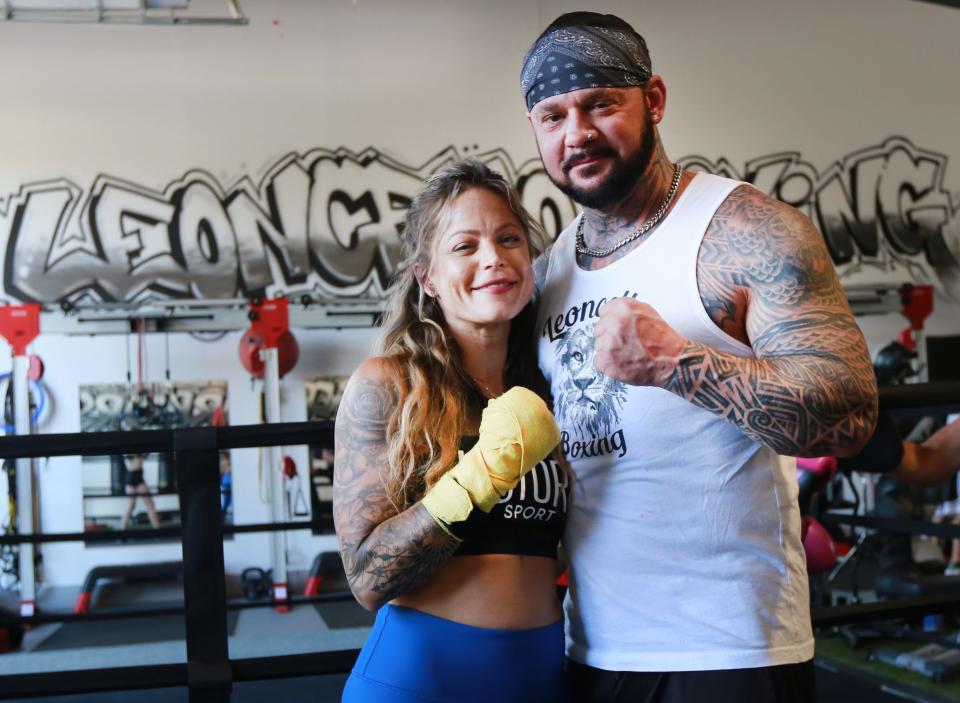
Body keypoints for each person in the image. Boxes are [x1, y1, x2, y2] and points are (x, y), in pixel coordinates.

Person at [521, 12, 877, 702]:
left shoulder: (744, 231)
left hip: (731, 647)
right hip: (591, 647)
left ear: (653, 99)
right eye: (553, 115)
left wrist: (675, 364)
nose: (578, 133)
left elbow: (852, 415)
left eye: (601, 104)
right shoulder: (547, 276)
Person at [333, 159, 569, 703]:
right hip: (421, 678)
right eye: (465, 246)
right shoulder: (388, 385)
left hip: (543, 674)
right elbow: (367, 580)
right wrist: (478, 477)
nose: (493, 258)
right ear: (428, 276)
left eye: (509, 238)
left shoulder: (550, 391)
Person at [119, 453, 160, 531]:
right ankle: (158, 531)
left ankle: (122, 531)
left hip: (133, 476)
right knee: (149, 505)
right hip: (134, 477)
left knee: (134, 506)